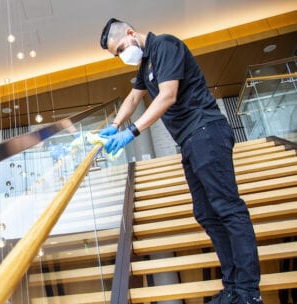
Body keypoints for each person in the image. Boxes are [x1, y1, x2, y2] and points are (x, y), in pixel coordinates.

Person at [98, 19, 262, 304]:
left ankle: (248, 293)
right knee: (206, 214)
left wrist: (130, 132)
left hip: (206, 130)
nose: (122, 55)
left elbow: (168, 96)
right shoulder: (146, 65)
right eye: (117, 54)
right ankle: (233, 287)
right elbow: (133, 97)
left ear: (130, 33)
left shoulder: (165, 44)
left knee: (227, 208)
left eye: (121, 48)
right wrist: (114, 124)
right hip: (189, 141)